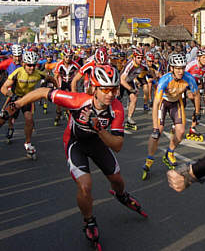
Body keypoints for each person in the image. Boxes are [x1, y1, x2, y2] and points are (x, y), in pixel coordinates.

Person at [8, 65, 147, 244]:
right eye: (105, 89)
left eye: (114, 89)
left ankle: (121, 195)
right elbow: (44, 92)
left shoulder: (117, 108)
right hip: (76, 143)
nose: (110, 94)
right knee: (85, 187)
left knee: (118, 180)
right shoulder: (78, 100)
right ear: (95, 88)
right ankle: (89, 220)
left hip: (98, 142)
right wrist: (18, 104)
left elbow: (118, 145)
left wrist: (98, 129)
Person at [0, 51, 56, 159]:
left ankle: (28, 144)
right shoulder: (17, 72)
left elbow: (51, 78)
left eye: (34, 65)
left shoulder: (38, 73)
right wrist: (11, 95)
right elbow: (3, 88)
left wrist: (57, 89)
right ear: (24, 64)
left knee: (29, 118)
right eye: (29, 65)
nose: (32, 68)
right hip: (16, 97)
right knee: (3, 119)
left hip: (28, 98)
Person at [142, 53, 200, 180]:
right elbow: (156, 104)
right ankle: (149, 159)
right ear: (171, 68)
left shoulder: (188, 78)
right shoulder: (165, 79)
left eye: (182, 68)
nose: (180, 71)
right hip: (163, 102)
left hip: (176, 102)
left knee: (180, 133)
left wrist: (197, 111)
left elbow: (196, 95)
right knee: (157, 133)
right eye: (177, 68)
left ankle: (170, 152)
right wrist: (155, 127)